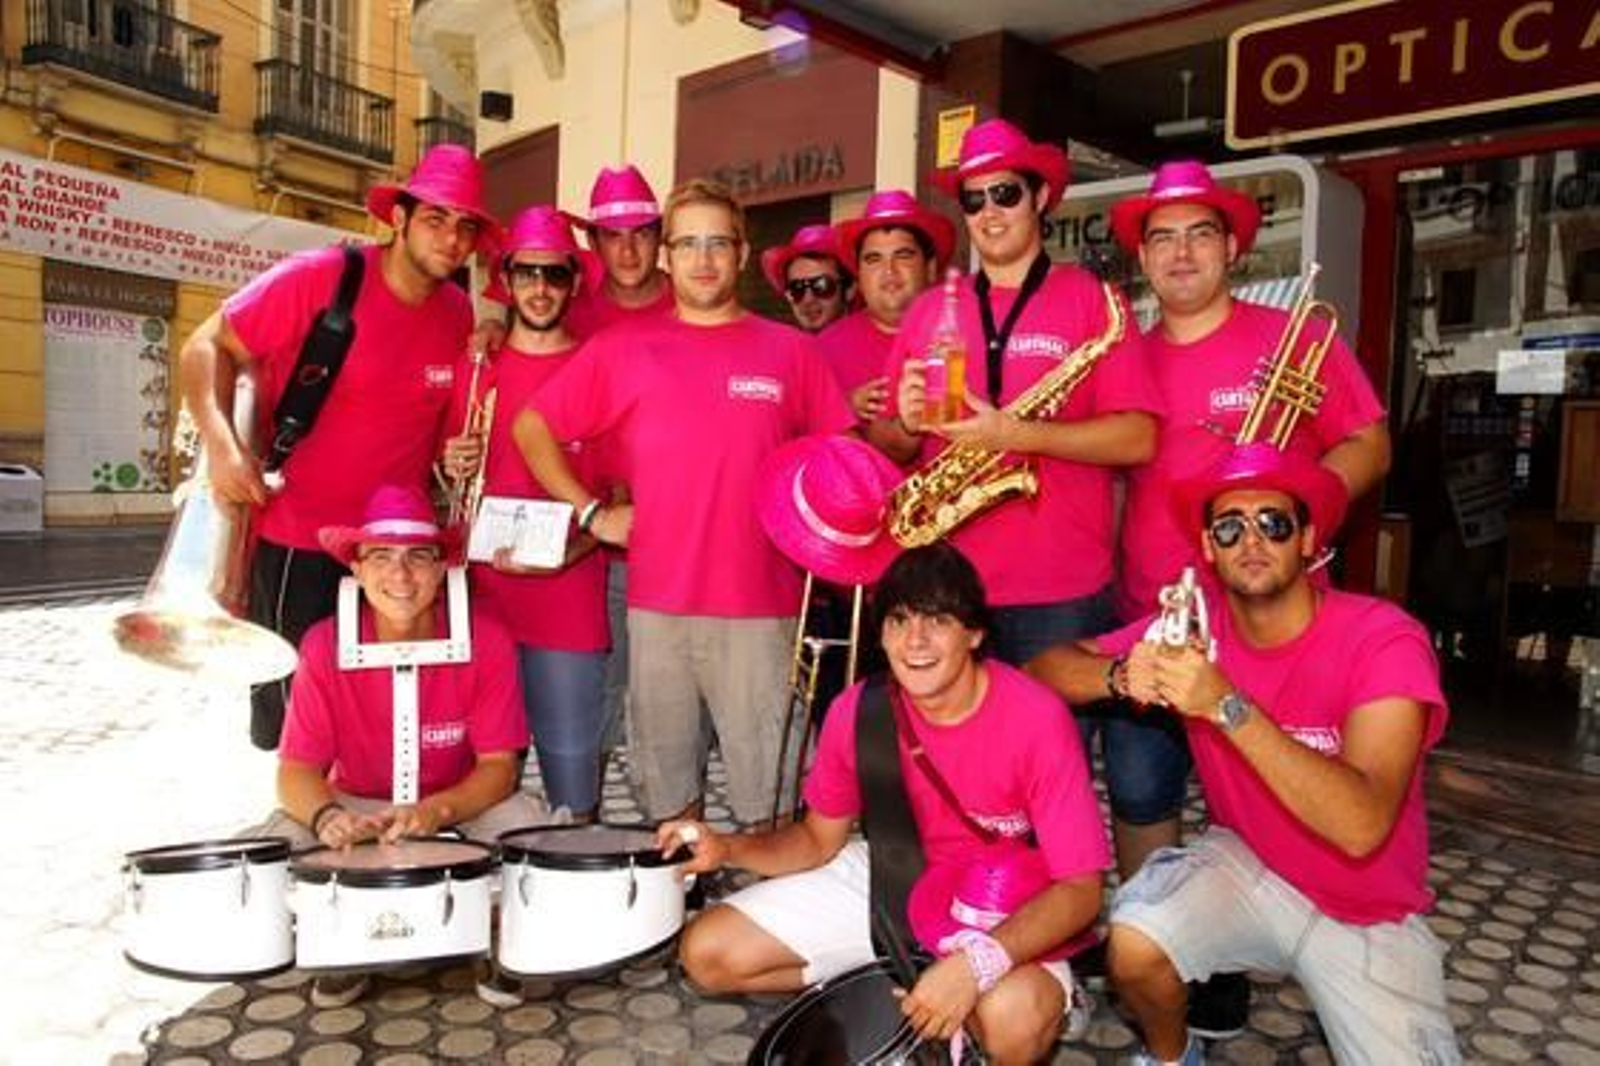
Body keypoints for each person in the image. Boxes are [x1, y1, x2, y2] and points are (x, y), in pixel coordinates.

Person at [1027, 444, 1459, 1065]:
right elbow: (1044, 668)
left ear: (1308, 539)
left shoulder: (1383, 639)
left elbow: (1361, 826)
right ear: (1207, 549)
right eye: (1228, 527)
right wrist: (1123, 675)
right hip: (1251, 866)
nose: (1250, 540)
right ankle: (1176, 1058)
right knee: (1133, 940)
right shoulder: (1199, 629)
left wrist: (1226, 704)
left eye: (1274, 523)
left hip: (1368, 911)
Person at [1102, 159, 1393, 1034]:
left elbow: (1369, 443)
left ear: (1232, 246)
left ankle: (1269, 946)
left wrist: (1297, 517)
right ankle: (1173, 959)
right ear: (1143, 259)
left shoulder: (1294, 339)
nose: (1181, 253)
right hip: (1154, 612)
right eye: (1162, 238)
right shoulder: (1127, 358)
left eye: (1200, 233)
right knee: (1145, 796)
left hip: (1272, 627)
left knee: (1267, 791)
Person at [663, 542, 1108, 1065]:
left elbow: (1081, 889)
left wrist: (975, 966)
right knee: (707, 953)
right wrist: (728, 848)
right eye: (898, 620)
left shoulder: (1035, 717)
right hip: (896, 877)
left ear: (975, 633)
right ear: (881, 633)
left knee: (1013, 1019)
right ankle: (906, 988)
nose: (915, 639)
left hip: (1002, 900)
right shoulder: (859, 710)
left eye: (937, 620)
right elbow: (815, 839)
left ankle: (1033, 995)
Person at [512, 178, 856, 825]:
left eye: (717, 243)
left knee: (771, 805)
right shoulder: (622, 350)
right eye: (688, 243)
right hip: (656, 613)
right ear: (667, 255)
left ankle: (760, 915)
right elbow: (533, 427)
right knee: (668, 802)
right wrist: (593, 513)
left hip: (762, 612)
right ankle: (682, 917)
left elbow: (840, 468)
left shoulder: (793, 354)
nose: (702, 259)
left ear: (743, 254)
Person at [178, 144, 498, 751]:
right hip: (299, 539)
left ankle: (366, 830)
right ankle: (306, 828)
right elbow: (204, 345)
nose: (452, 239)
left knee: (377, 716)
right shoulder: (322, 277)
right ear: (398, 219)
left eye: (466, 226)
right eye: (435, 219)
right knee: (298, 717)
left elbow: (426, 424)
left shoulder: (458, 313)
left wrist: (451, 452)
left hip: (395, 556)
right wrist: (222, 448)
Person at [869, 118, 1157, 668]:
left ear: (1040, 197)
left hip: (1061, 589)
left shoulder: (1094, 300)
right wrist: (903, 424)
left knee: (1053, 752)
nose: (989, 212)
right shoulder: (931, 308)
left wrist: (1015, 434)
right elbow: (890, 447)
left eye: (1005, 193)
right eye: (974, 200)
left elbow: (1139, 438)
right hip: (947, 586)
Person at [255, 483, 545, 1008]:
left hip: (455, 800)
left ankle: (499, 936)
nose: (401, 575)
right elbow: (295, 772)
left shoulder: (488, 638)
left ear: (442, 569)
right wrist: (326, 819)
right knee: (273, 848)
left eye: (418, 557)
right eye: (381, 557)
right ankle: (339, 942)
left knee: (527, 829)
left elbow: (500, 767)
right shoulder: (324, 643)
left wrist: (436, 809)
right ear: (357, 570)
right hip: (358, 802)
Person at [442, 206, 610, 820]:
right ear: (506, 282)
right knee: (471, 786)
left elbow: (620, 496)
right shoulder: (475, 366)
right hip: (480, 606)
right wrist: (449, 460)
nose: (540, 289)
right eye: (527, 274)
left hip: (568, 605)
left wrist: (576, 550)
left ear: (573, 282)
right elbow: (442, 478)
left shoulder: (601, 366)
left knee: (574, 788)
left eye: (555, 275)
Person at [821, 188, 955, 425]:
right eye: (874, 259)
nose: (889, 271)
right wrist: (841, 409)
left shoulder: (964, 333)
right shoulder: (822, 352)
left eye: (903, 255)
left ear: (931, 268)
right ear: (859, 275)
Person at [563, 164, 675, 339]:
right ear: (593, 243)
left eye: (641, 234)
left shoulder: (690, 299)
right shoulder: (570, 312)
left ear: (659, 236)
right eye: (613, 236)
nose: (628, 251)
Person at [761, 223, 854, 334]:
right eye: (797, 288)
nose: (808, 300)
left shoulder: (869, 346)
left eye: (821, 286)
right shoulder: (786, 348)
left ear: (849, 290)